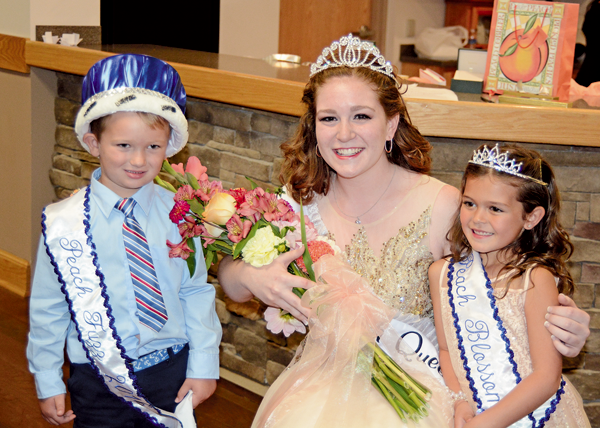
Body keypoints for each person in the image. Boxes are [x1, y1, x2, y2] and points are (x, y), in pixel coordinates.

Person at [217, 34, 590, 427]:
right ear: (314, 127)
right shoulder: (298, 204)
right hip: (324, 382)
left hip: (425, 389)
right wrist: (250, 275)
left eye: (361, 116)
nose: (344, 134)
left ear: (391, 123)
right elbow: (232, 283)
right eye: (329, 118)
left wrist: (564, 330)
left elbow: (508, 285)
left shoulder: (442, 206)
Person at [26, 54, 222, 427]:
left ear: (170, 146)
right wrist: (48, 379)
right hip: (98, 380)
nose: (139, 160)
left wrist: (204, 364)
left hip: (171, 371)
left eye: (153, 147)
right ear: (93, 143)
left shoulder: (180, 215)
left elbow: (195, 292)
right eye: (123, 146)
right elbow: (49, 309)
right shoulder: (64, 224)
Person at [429, 144, 590, 428]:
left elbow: (546, 377)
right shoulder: (441, 274)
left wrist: (487, 423)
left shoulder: (534, 279)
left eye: (495, 208)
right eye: (469, 203)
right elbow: (446, 350)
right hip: (469, 411)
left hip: (532, 415)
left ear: (531, 217)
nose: (478, 218)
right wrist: (459, 401)